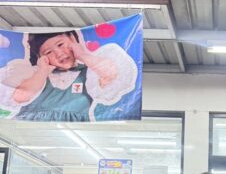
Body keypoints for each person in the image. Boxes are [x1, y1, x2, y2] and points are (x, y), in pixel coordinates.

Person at [0, 29, 137, 121]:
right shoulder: (33, 75)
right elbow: (20, 97)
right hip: (30, 133)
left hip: (77, 134)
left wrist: (83, 55)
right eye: (48, 52)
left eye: (60, 44)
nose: (59, 53)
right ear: (40, 57)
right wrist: (42, 71)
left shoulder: (91, 73)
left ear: (72, 39)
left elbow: (111, 73)